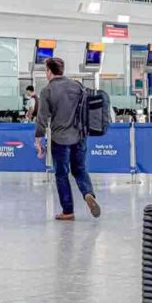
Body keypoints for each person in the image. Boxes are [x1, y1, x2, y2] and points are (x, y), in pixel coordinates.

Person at [33, 57, 101, 221]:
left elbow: (42, 119)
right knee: (80, 170)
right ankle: (88, 194)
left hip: (60, 139)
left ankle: (68, 210)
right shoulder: (77, 85)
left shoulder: (47, 91)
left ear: (49, 71)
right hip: (79, 136)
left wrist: (38, 140)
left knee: (62, 174)